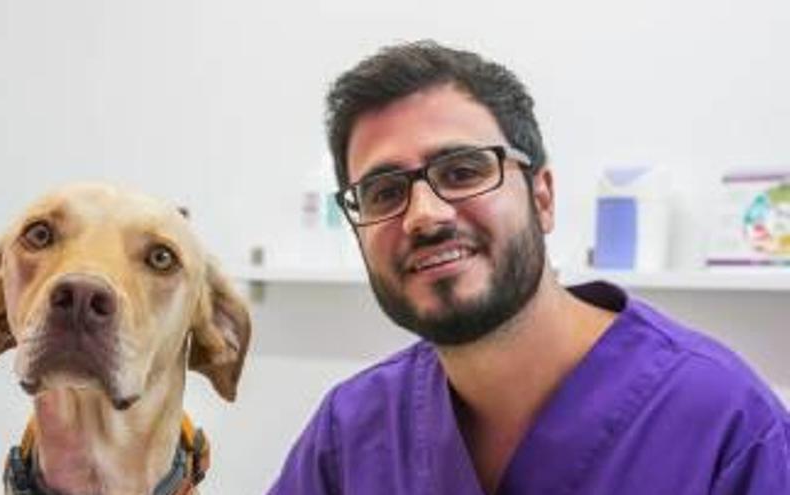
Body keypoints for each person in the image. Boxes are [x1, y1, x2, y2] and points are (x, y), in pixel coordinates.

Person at [268, 40, 790, 494]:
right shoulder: (352, 434)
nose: (424, 216)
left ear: (542, 196)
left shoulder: (726, 425)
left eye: (464, 170)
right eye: (384, 192)